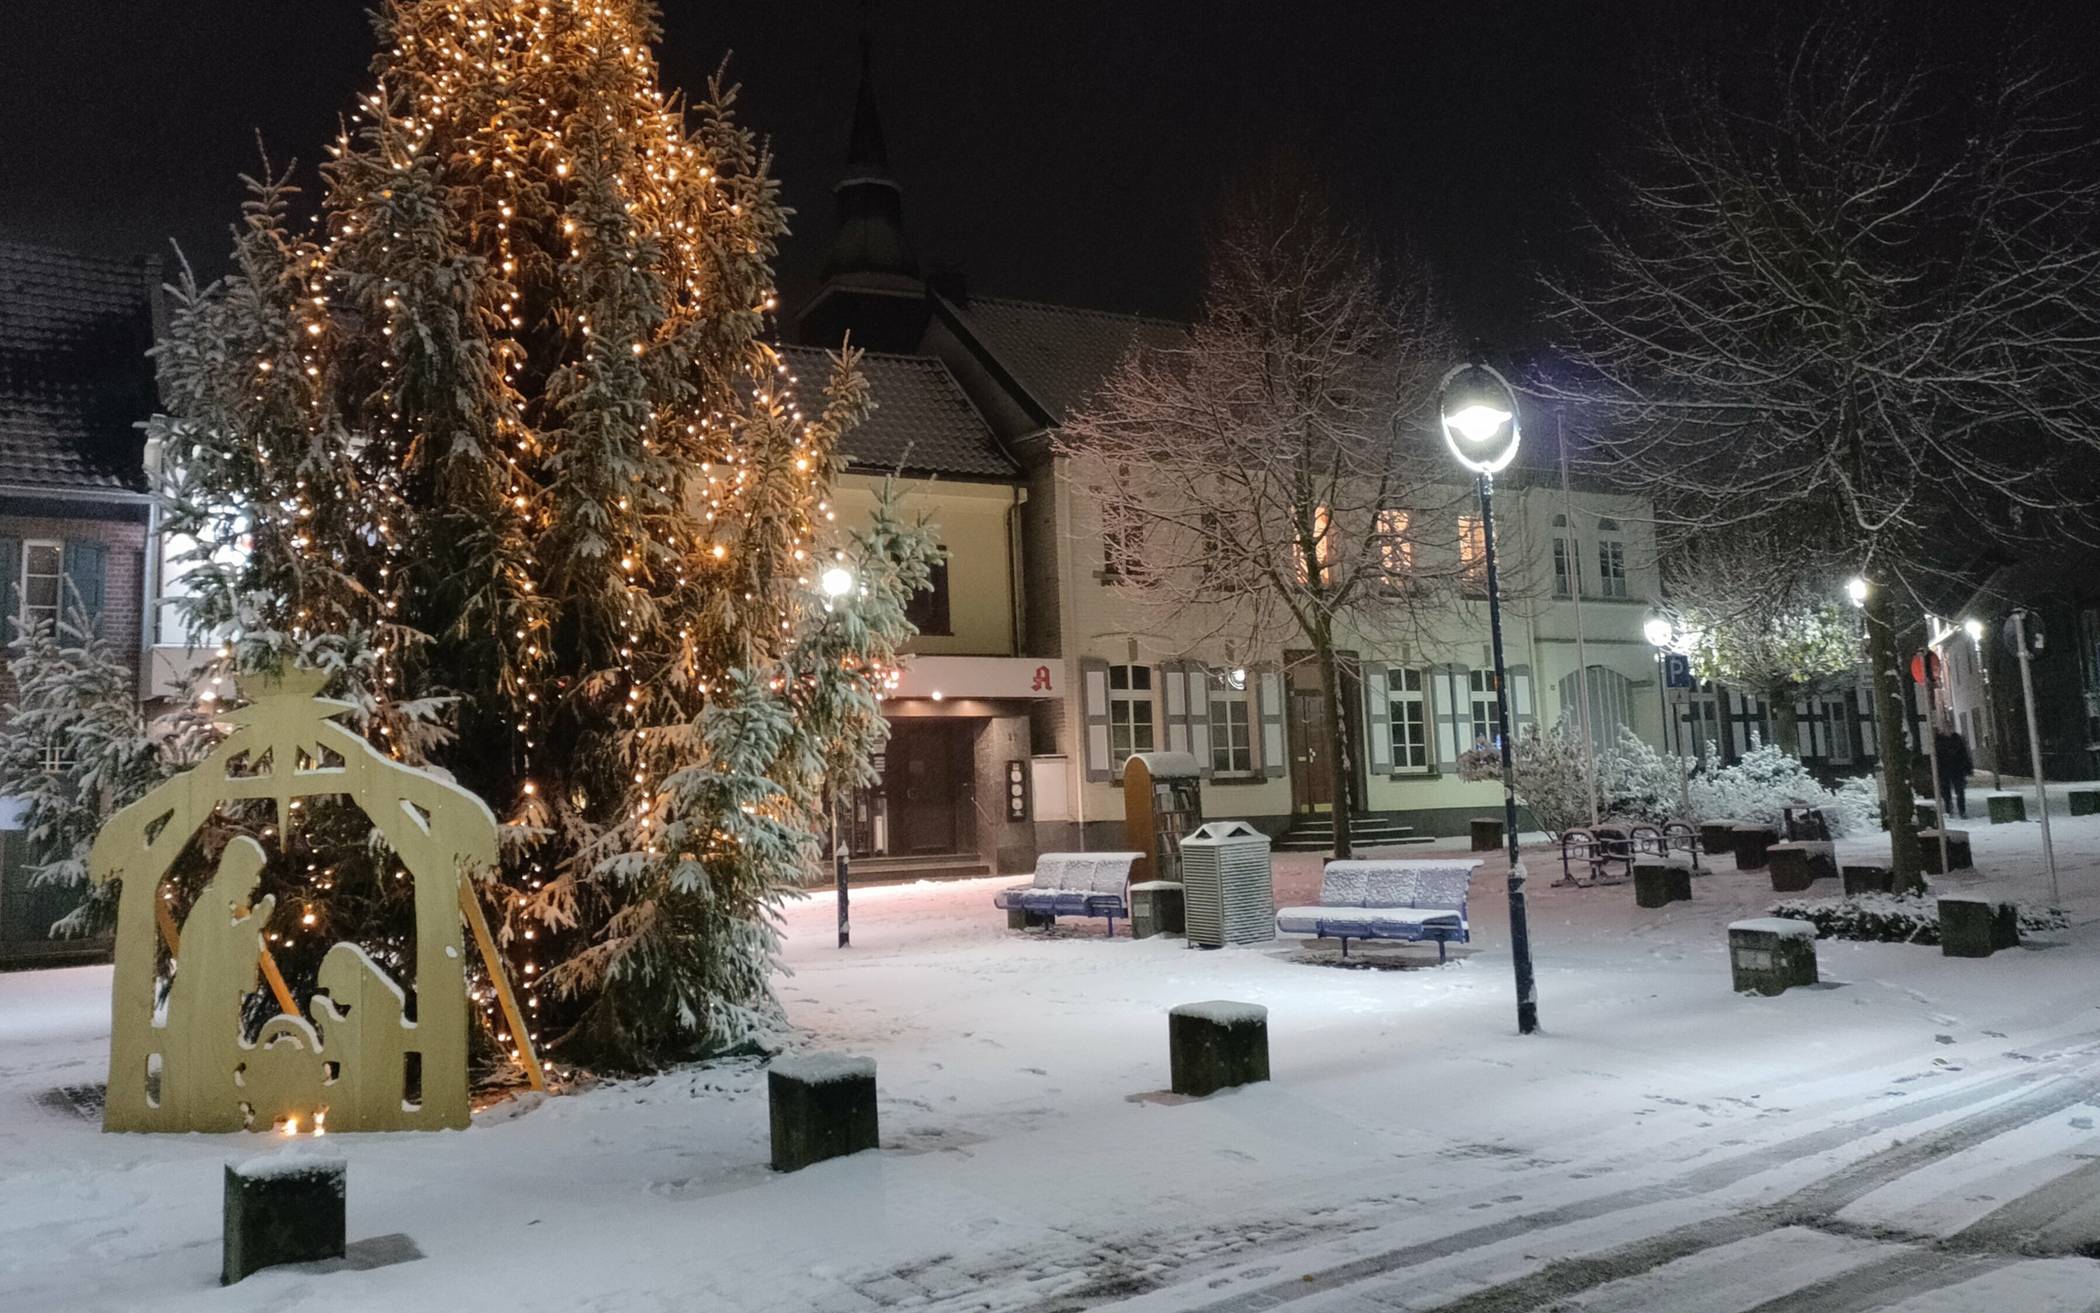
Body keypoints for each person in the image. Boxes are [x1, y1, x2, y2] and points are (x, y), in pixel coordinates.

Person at [1936, 724, 1974, 819]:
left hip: (1957, 769)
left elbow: (1964, 754)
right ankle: (1949, 809)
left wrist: (1968, 767)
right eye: (1946, 728)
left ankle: (1962, 810)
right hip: (1944, 769)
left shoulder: (1958, 739)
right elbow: (1937, 756)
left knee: (1960, 791)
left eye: (1950, 728)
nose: (1948, 730)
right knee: (1946, 791)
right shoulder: (1938, 740)